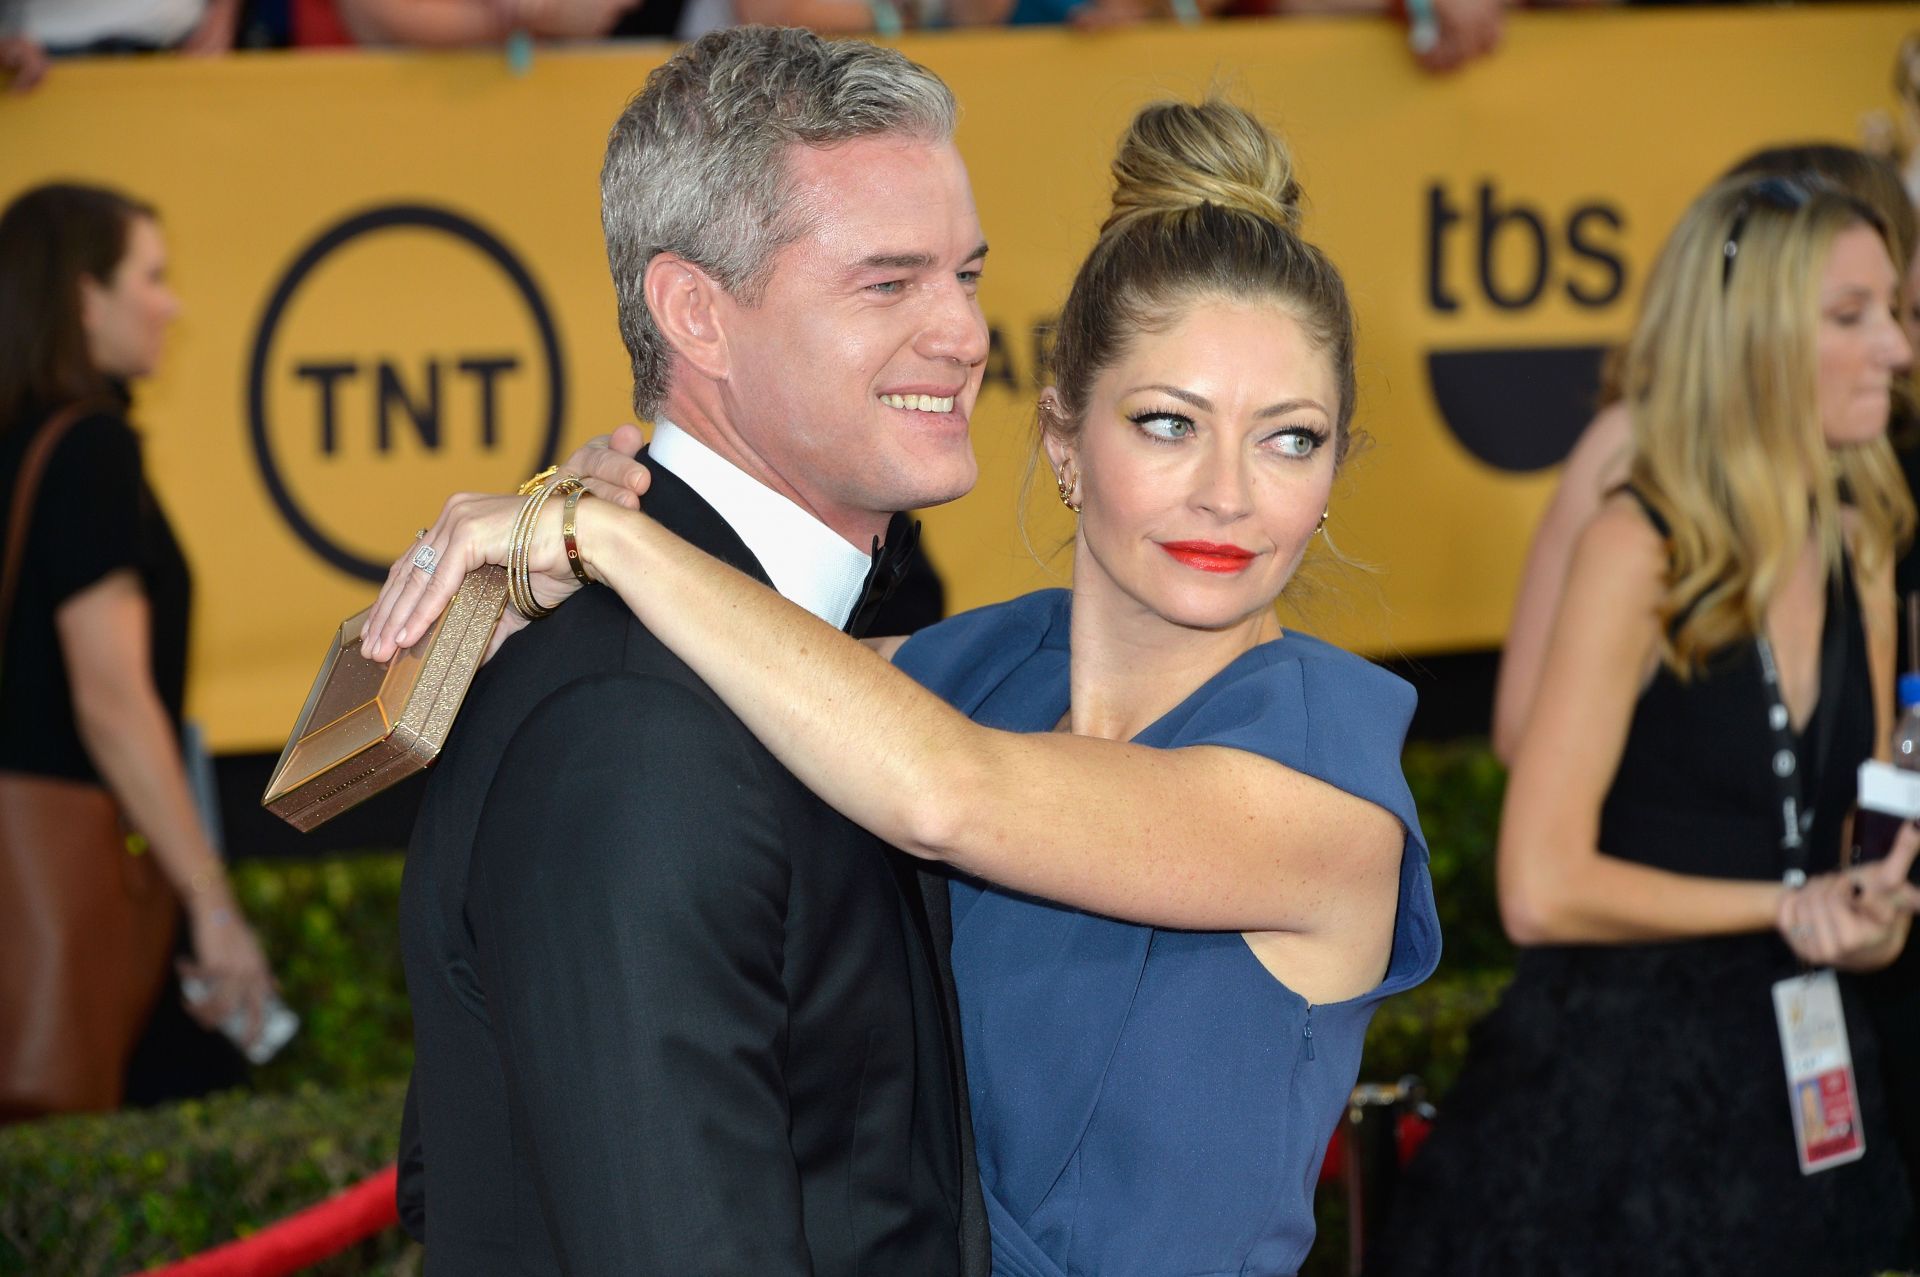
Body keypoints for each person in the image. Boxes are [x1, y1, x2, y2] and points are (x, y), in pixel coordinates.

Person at [366, 97, 1441, 1275]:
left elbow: (949, 793)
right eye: (1169, 423)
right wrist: (597, 532)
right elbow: (722, 679)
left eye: (1292, 437)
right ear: (1067, 439)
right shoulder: (970, 673)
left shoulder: (1324, 784)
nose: (1228, 494)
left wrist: (608, 539)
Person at [383, 28, 990, 1276]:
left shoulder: (742, 649)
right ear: (695, 313)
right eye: (889, 283)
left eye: (967, 274)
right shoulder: (632, 730)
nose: (967, 333)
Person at [1375, 173, 1920, 1274]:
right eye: (1853, 317)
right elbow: (1537, 885)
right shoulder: (1641, 545)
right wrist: (1788, 903)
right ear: (1758, 335)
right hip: (1616, 1099)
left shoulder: (1862, 545)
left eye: (1896, 314)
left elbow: (1853, 853)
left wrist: (1876, 912)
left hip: (1809, 1086)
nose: (1899, 350)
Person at [1491, 143, 1918, 765]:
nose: (1892, 342)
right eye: (1848, 307)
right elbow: (1524, 733)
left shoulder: (1869, 452)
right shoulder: (1632, 443)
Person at [0, 184, 275, 1107]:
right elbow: (112, 700)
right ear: (83, 298)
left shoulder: (20, 440)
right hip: (64, 878)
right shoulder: (87, 453)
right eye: (151, 278)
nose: (172, 304)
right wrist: (210, 902)